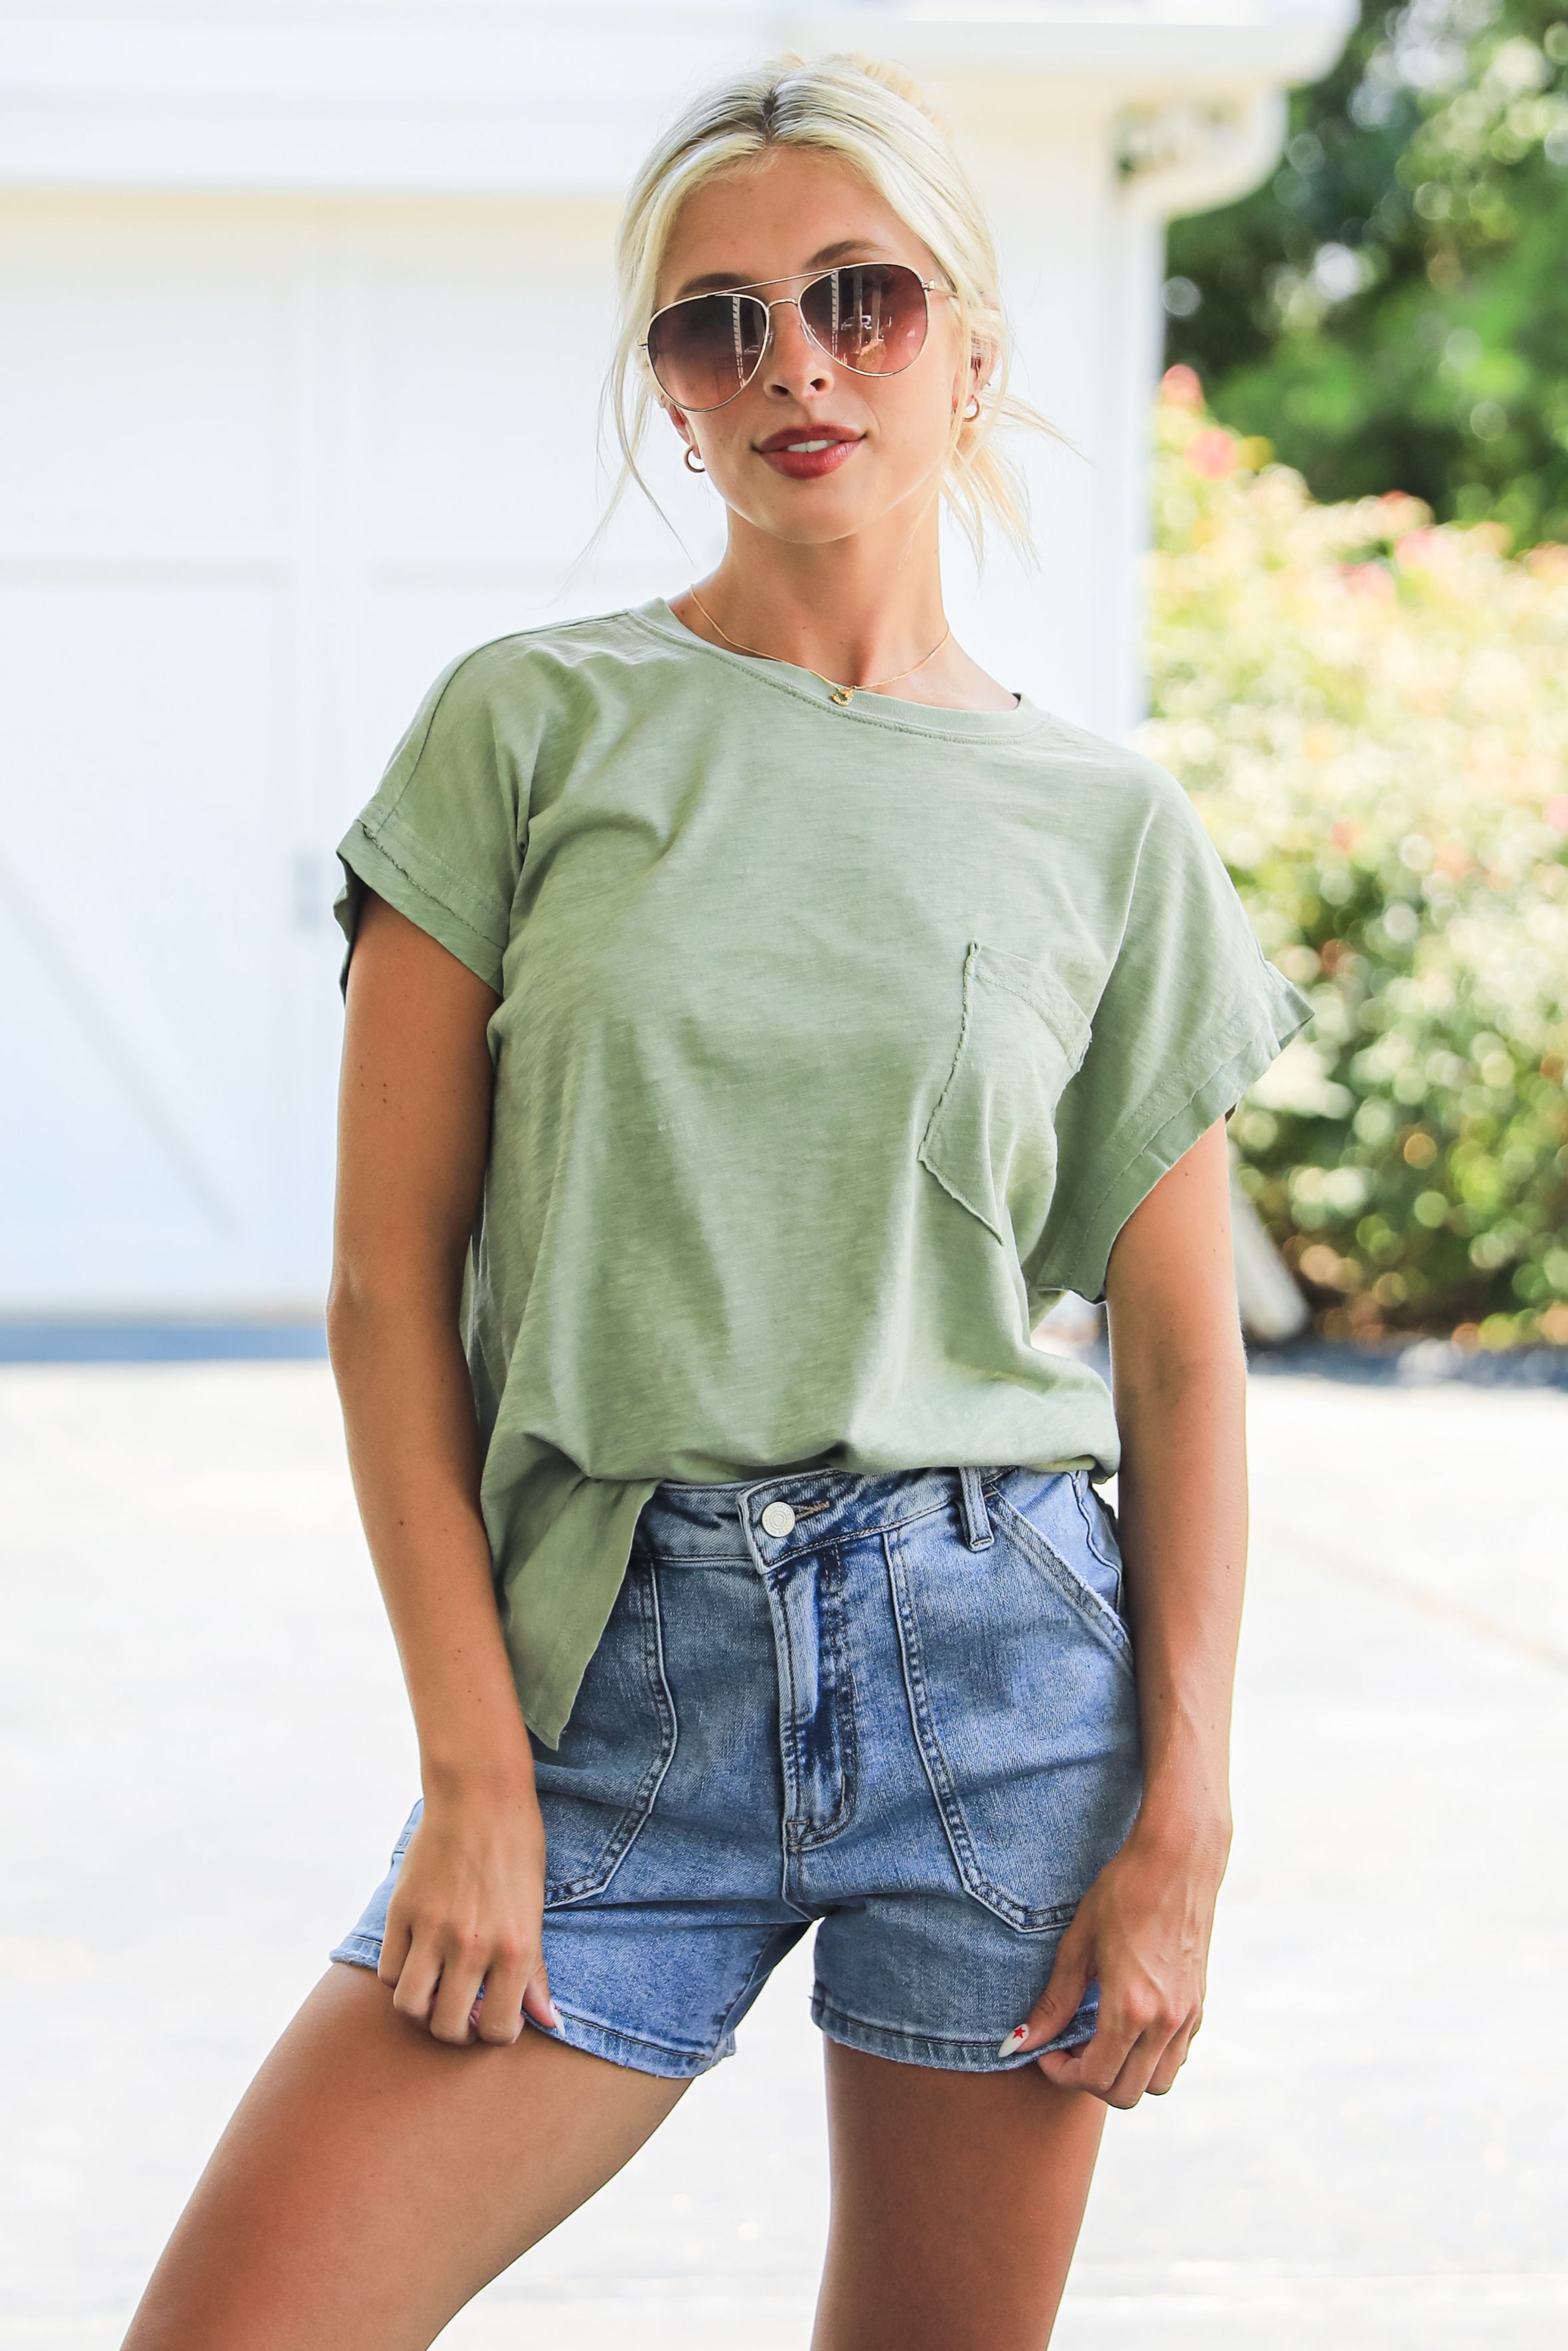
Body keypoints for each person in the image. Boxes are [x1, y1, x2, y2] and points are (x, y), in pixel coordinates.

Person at [121, 53, 1307, 2351]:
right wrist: (472, 1767)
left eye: (859, 297)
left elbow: (1176, 1361)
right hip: (609, 1696)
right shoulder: (525, 733)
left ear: (969, 344)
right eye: (719, 320)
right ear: (667, 389)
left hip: (1001, 1701)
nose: (796, 364)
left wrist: (1184, 1822)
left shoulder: (1098, 825)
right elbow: (388, 1295)